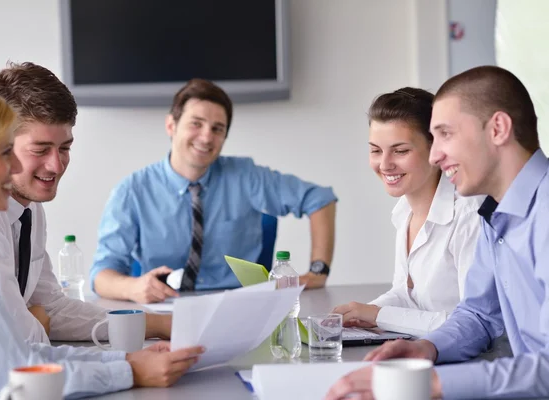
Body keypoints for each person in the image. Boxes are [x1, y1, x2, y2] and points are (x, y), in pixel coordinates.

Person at [0, 82, 204, 399]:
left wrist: (128, 362)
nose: (14, 167)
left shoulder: (2, 225)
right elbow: (20, 366)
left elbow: (41, 327)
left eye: (64, 148)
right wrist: (129, 370)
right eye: (5, 152)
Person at [326, 65, 549, 400]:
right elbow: (478, 316)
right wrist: (428, 349)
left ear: (498, 129)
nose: (434, 155)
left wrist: (432, 385)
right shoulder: (496, 213)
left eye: (445, 134)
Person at [0, 62, 171, 344]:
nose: (56, 165)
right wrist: (130, 368)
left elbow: (53, 309)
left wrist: (156, 323)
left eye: (65, 148)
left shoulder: (30, 209)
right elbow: (16, 343)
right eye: (40, 150)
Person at [91, 78, 338, 304]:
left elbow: (320, 198)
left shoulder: (246, 176)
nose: (206, 137)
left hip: (237, 307)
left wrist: (318, 271)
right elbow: (102, 274)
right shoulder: (132, 191)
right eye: (196, 124)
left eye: (217, 129)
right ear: (171, 125)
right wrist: (132, 287)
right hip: (164, 311)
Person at [332, 88, 482, 337]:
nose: (384, 164)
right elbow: (406, 294)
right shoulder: (404, 212)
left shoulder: (470, 215)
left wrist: (378, 315)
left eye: (400, 151)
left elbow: (474, 325)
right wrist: (361, 313)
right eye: (376, 150)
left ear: (436, 150)